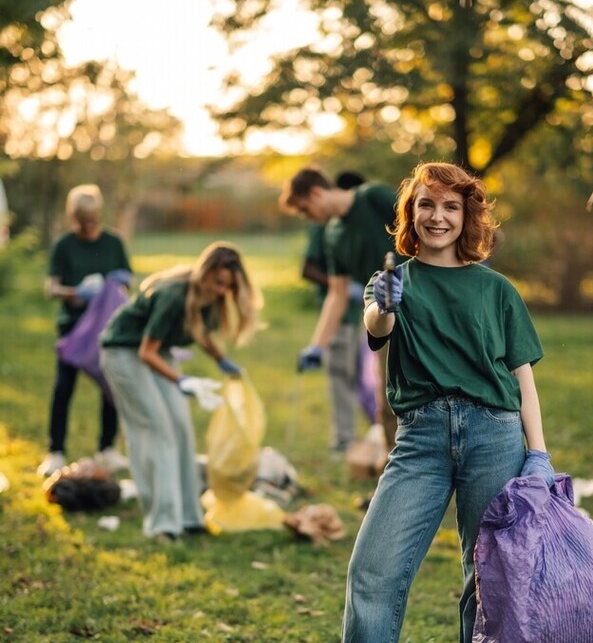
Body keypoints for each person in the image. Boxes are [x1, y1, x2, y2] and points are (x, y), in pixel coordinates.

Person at [305, 161, 556, 643]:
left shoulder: (496, 289)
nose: (437, 216)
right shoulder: (391, 280)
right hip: (419, 438)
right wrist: (385, 301)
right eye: (426, 205)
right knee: (374, 566)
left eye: (450, 206)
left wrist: (538, 454)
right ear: (410, 215)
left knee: (484, 574)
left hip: (494, 432)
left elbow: (522, 377)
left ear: (466, 216)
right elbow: (378, 327)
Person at [100, 242, 262, 542]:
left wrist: (221, 360)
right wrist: (182, 381)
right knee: (159, 431)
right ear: (205, 272)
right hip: (124, 351)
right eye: (218, 283)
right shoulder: (173, 295)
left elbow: (198, 331)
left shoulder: (209, 298)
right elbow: (146, 352)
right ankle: (163, 523)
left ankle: (189, 517)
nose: (222, 291)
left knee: (181, 428)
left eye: (228, 286)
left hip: (158, 353)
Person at [280, 166, 400, 453]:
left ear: (316, 192)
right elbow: (337, 293)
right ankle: (390, 477)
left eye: (305, 209)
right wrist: (317, 346)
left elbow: (427, 226)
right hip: (383, 322)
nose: (308, 218)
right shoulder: (332, 233)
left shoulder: (373, 198)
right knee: (386, 405)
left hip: (425, 309)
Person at [37, 184, 132, 477]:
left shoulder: (113, 242)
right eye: (82, 220)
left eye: (93, 219)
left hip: (107, 330)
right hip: (75, 330)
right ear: (73, 217)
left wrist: (114, 284)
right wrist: (73, 292)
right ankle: (56, 451)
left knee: (110, 389)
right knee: (63, 388)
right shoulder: (64, 245)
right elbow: (50, 287)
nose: (88, 226)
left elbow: (127, 282)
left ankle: (107, 449)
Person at [301, 171, 366, 454]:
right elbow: (308, 268)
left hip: (360, 314)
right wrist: (344, 288)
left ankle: (358, 435)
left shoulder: (357, 223)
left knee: (358, 377)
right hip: (339, 317)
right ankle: (343, 439)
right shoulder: (325, 225)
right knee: (340, 375)